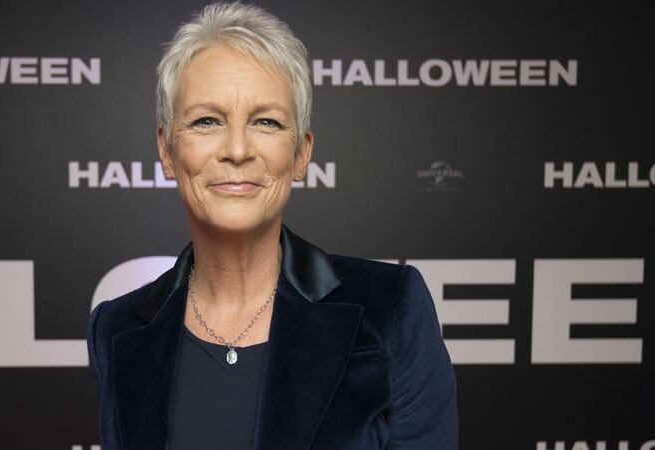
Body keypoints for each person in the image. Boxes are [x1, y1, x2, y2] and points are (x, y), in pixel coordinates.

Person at [86, 2, 458, 449]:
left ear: (301, 153)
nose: (238, 149)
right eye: (207, 121)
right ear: (167, 150)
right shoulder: (117, 329)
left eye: (266, 122)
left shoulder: (390, 308)